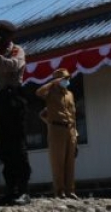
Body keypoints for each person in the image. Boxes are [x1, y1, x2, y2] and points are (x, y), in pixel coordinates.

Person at [0, 19, 31, 205]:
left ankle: (23, 190)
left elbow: (13, 66)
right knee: (3, 147)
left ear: (6, 36)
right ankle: (10, 189)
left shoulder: (17, 51)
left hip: (14, 99)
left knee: (17, 146)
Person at [36, 68, 78, 199]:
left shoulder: (70, 94)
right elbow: (38, 92)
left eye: (67, 78)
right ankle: (60, 191)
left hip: (70, 129)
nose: (67, 81)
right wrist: (53, 82)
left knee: (70, 161)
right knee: (58, 161)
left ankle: (70, 190)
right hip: (56, 129)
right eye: (64, 79)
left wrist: (75, 133)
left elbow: (73, 114)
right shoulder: (50, 92)